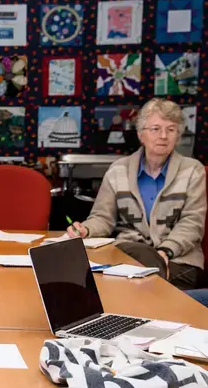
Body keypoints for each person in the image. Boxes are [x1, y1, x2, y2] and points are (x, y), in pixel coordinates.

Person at [68, 99, 206, 290]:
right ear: (141, 135)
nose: (163, 136)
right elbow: (102, 217)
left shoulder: (192, 171)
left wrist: (165, 251)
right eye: (155, 129)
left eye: (171, 130)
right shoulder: (119, 170)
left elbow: (192, 224)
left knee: (140, 283)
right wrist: (86, 230)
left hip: (180, 260)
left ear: (178, 136)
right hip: (130, 255)